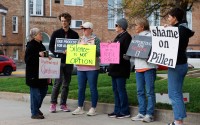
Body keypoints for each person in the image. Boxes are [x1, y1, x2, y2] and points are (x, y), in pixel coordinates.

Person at [166, 8, 194, 125]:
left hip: (176, 64)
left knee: (174, 94)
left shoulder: (179, 31)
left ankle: (178, 122)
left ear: (175, 18)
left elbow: (174, 45)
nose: (168, 18)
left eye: (169, 16)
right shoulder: (182, 29)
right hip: (181, 63)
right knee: (177, 93)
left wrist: (170, 31)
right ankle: (178, 120)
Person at [49, 12, 79, 113]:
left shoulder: (74, 35)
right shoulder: (56, 33)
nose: (63, 23)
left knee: (66, 84)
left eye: (65, 21)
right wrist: (59, 52)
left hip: (69, 62)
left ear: (69, 21)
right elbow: (51, 47)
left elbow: (77, 48)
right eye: (62, 21)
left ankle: (63, 104)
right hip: (58, 61)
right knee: (57, 83)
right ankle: (53, 104)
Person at [130, 17, 157, 123]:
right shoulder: (136, 37)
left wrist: (149, 54)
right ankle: (141, 113)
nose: (135, 27)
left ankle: (149, 114)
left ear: (142, 26)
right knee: (140, 91)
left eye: (136, 25)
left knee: (149, 92)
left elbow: (155, 51)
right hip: (138, 67)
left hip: (149, 67)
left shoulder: (151, 36)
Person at [72, 22, 100, 116]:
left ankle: (93, 108)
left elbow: (99, 52)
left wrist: (89, 48)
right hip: (81, 68)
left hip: (92, 68)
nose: (84, 30)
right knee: (81, 88)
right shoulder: (80, 39)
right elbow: (75, 51)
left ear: (91, 29)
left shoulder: (96, 39)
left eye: (86, 28)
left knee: (92, 88)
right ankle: (80, 107)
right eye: (83, 29)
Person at [107, 18, 132, 119]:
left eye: (116, 25)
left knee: (121, 90)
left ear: (121, 26)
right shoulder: (118, 36)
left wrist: (120, 54)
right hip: (114, 68)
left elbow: (127, 53)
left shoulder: (127, 37)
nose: (115, 27)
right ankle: (117, 110)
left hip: (121, 68)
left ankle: (125, 111)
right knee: (115, 90)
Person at [25, 28, 49, 119]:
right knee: (35, 94)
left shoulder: (41, 45)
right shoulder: (30, 46)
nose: (41, 35)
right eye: (39, 34)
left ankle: (36, 108)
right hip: (33, 75)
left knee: (44, 91)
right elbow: (28, 60)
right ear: (34, 36)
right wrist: (38, 55)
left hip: (42, 73)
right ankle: (34, 113)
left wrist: (48, 57)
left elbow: (44, 57)